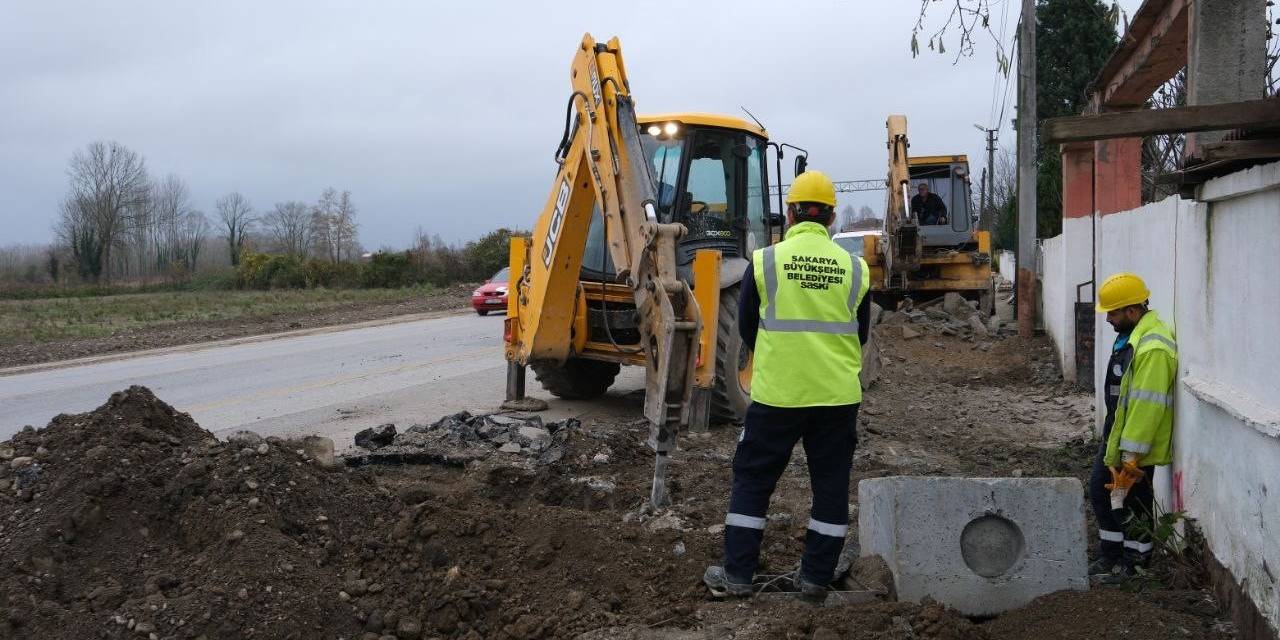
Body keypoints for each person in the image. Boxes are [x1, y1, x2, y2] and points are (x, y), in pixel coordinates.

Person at [703, 170, 871, 603]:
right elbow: (862, 334)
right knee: (831, 486)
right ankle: (815, 578)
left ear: (792, 214)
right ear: (832, 217)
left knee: (753, 480)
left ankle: (738, 576)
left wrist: (781, 358)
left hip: (778, 395)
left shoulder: (765, 262)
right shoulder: (855, 268)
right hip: (836, 398)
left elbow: (746, 329)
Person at [1089, 272, 1177, 582]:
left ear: (1132, 310)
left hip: (1133, 446)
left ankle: (1135, 565)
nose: (1108, 319)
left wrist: (1131, 456)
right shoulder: (1132, 334)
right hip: (1118, 434)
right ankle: (1112, 555)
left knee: (1134, 503)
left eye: (1112, 312)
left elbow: (1147, 407)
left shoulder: (1153, 347)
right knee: (1101, 491)